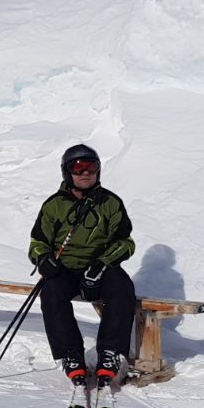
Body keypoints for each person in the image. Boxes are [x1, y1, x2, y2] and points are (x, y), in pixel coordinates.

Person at [27, 143, 137, 391]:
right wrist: (44, 259)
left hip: (100, 267)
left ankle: (109, 352)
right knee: (51, 291)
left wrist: (102, 264)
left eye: (91, 167)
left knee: (122, 287)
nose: (86, 173)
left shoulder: (110, 203)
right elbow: (38, 242)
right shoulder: (54, 205)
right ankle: (71, 355)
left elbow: (125, 242)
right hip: (65, 268)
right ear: (68, 172)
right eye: (79, 167)